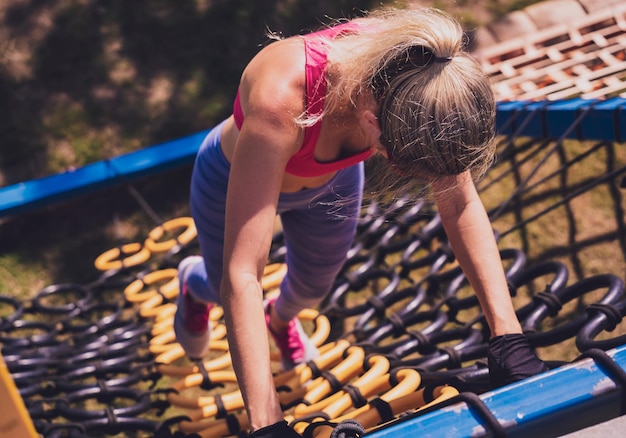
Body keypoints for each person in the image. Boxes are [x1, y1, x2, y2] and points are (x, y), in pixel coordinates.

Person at [174, 6, 548, 437]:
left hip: (328, 182)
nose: (404, 174)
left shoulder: (424, 79)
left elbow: (460, 203)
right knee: (225, 283)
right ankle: (193, 285)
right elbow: (244, 275)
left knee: (313, 285)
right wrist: (267, 425)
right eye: (401, 162)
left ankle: (279, 322)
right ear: (371, 123)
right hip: (232, 174)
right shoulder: (284, 97)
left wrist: (508, 337)